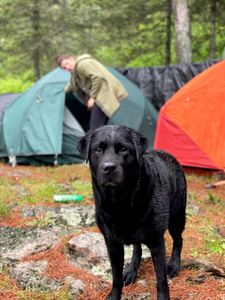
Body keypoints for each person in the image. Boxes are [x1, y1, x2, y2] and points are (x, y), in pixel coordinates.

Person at [55, 53, 128, 130]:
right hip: (100, 96)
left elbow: (97, 77)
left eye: (67, 63)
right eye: (64, 68)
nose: (67, 67)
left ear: (71, 58)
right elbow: (72, 83)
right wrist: (61, 92)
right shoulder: (75, 70)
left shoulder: (82, 64)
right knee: (102, 125)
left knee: (95, 126)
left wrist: (92, 97)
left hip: (102, 95)